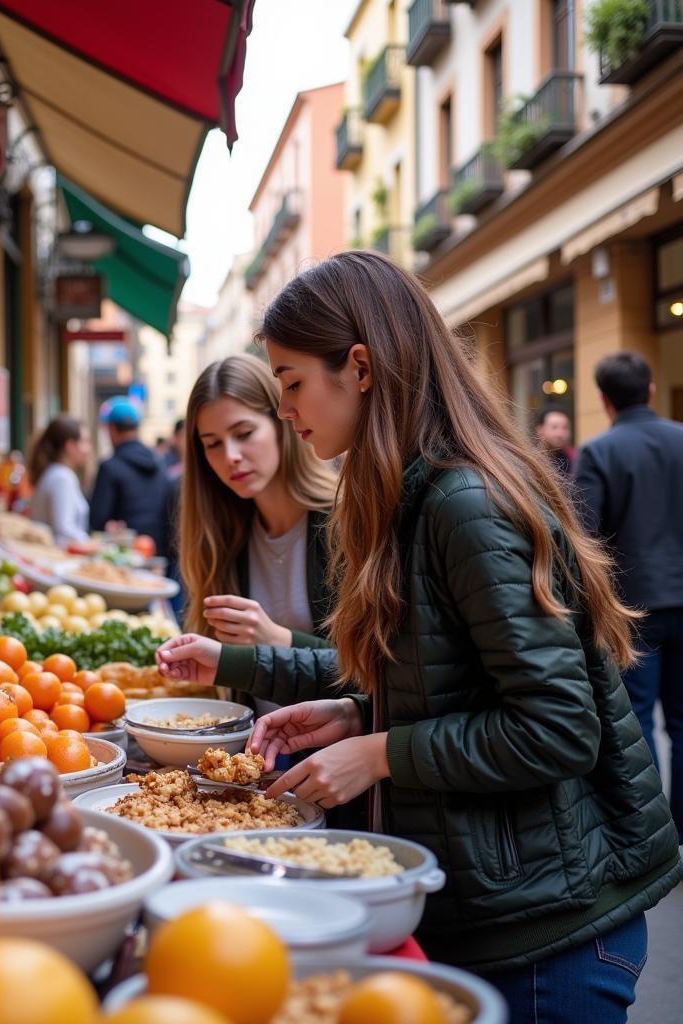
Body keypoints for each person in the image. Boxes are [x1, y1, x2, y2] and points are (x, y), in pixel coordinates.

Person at [156, 252, 681, 1023]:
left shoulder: (460, 501)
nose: (287, 407)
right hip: (501, 907)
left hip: (548, 935)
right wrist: (358, 713)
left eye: (293, 382)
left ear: (360, 367)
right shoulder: (411, 493)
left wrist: (379, 751)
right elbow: (461, 680)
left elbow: (559, 728)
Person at [574, 352, 683, 841]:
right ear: (652, 389)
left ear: (603, 398)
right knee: (682, 723)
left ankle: (652, 831)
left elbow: (586, 537)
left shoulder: (600, 452)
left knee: (636, 719)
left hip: (633, 606)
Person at [179, 354, 337, 653]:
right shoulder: (221, 537)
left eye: (244, 434)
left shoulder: (345, 522)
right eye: (212, 444)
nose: (230, 456)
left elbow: (380, 676)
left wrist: (278, 640)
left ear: (283, 423)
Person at [89, 397, 171, 554]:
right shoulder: (159, 462)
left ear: (111, 429)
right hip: (159, 553)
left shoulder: (109, 467)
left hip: (124, 555)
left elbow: (97, 520)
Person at [26, 415, 91, 547]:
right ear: (70, 446)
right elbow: (63, 528)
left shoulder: (55, 474)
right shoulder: (62, 477)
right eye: (84, 441)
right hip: (59, 559)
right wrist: (91, 544)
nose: (88, 448)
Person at [535, 403, 574, 477]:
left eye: (565, 427)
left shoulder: (574, 459)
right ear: (540, 430)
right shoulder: (531, 462)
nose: (560, 433)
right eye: (554, 427)